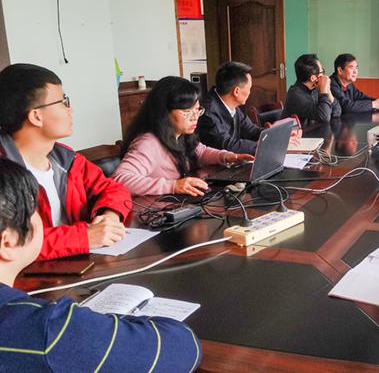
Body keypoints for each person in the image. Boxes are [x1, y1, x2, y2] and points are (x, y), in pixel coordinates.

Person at [0, 158, 201, 372]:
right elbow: (183, 347)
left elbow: (113, 188)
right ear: (8, 242)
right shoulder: (48, 330)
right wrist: (101, 324)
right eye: (34, 210)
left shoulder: (65, 157)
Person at [0, 64, 131, 260]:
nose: (70, 110)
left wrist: (109, 216)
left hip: (79, 266)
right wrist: (84, 237)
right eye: (63, 102)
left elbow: (113, 189)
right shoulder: (5, 176)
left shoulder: (65, 159)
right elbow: (12, 244)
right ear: (36, 116)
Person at [113, 76, 254, 197]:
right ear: (164, 112)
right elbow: (120, 180)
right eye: (187, 111)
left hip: (178, 204)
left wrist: (227, 156)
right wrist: (173, 186)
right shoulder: (149, 143)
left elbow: (201, 152)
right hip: (156, 210)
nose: (194, 117)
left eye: (197, 110)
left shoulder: (181, 134)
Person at [197, 61, 301, 155]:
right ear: (236, 91)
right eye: (249, 88)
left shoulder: (231, 104)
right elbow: (228, 145)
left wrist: (280, 135)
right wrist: (271, 144)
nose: (250, 92)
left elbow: (251, 130)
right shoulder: (208, 112)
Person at [281, 54, 341, 124]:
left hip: (314, 129)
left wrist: (328, 90)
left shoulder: (314, 89)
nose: (324, 75)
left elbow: (337, 111)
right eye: (322, 72)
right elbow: (324, 117)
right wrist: (324, 91)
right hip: (300, 131)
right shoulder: (296, 95)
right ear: (313, 78)